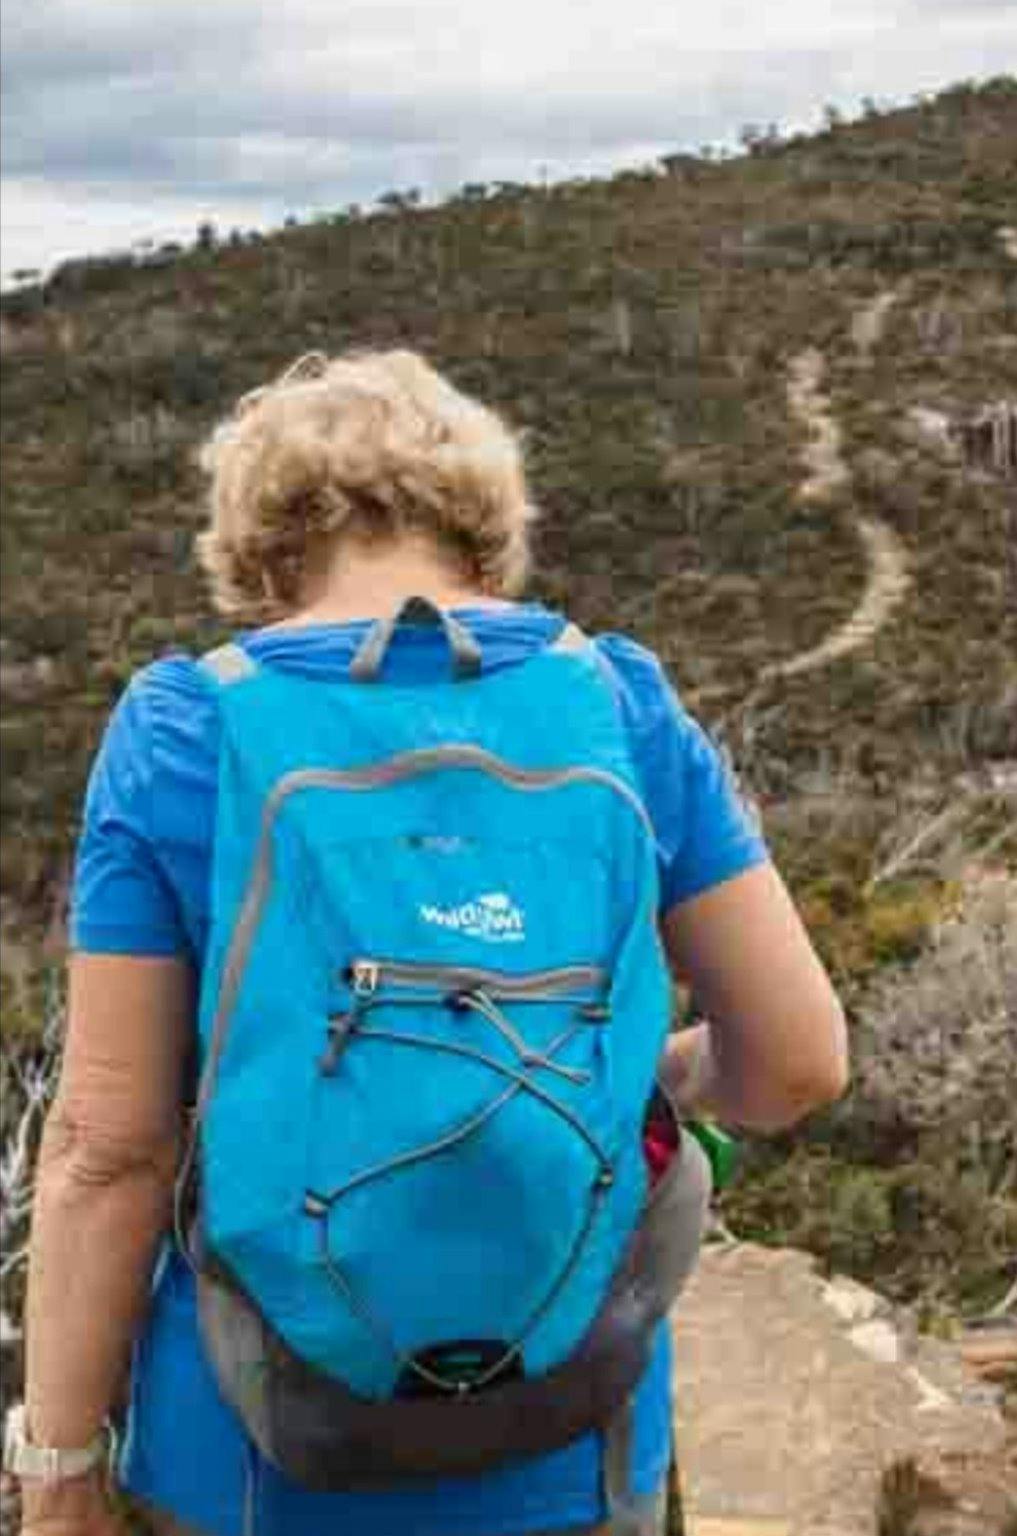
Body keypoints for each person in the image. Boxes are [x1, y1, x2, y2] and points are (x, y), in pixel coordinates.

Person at [11, 350, 849, 1536]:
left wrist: (59, 1472)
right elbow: (801, 1061)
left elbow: (108, 1151)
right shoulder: (617, 703)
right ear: (483, 524)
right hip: (577, 1447)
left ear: (259, 543)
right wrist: (652, 1076)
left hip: (248, 1463)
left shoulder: (185, 730)